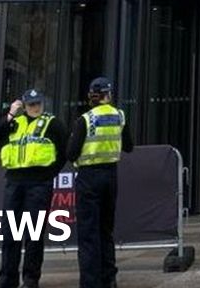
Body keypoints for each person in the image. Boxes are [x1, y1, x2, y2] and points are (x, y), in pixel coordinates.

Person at [0, 88, 68, 288]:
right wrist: (10, 113)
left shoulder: (52, 123)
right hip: (14, 182)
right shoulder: (15, 122)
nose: (35, 108)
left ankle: (31, 280)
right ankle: (7, 278)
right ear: (24, 105)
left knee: (33, 234)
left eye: (38, 104)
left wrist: (49, 174)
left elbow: (65, 151)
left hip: (38, 184)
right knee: (10, 233)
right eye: (31, 104)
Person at [66, 76, 134, 288]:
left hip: (88, 178)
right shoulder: (119, 116)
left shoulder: (85, 120)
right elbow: (129, 146)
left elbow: (71, 153)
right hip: (110, 176)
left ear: (92, 96)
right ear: (109, 95)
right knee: (106, 230)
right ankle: (109, 278)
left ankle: (90, 282)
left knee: (88, 233)